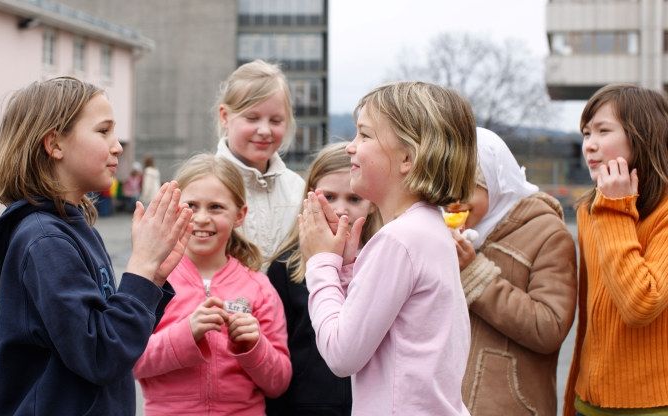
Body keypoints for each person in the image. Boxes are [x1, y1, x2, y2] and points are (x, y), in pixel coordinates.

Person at [0, 77, 193, 416]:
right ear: (54, 144)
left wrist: (152, 277)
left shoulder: (73, 227)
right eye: (103, 131)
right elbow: (100, 354)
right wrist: (139, 267)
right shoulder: (46, 241)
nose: (118, 147)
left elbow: (113, 334)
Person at [298, 81, 478, 415]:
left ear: (408, 157)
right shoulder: (427, 228)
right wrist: (350, 269)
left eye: (364, 136)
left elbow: (341, 354)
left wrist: (321, 262)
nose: (351, 148)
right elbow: (393, 330)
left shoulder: (399, 240)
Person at [134, 154, 292, 415]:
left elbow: (278, 383)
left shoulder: (259, 287)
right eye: (192, 206)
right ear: (175, 209)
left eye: (216, 207)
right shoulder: (153, 282)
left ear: (240, 215)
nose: (202, 218)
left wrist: (254, 346)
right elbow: (129, 361)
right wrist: (186, 334)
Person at [451, 127, 577, 416]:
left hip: (510, 405)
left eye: (463, 187)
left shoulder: (547, 232)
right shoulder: (443, 228)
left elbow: (549, 327)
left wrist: (475, 276)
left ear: (494, 180)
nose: (451, 200)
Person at [564, 84, 668, 415]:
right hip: (588, 401)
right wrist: (572, 399)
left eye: (603, 131)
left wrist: (616, 209)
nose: (589, 146)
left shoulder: (660, 213)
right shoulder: (590, 210)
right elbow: (591, 317)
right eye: (585, 133)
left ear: (642, 136)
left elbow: (641, 303)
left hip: (652, 406)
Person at [265, 142, 383, 416]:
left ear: (373, 204)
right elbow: (276, 348)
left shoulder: (383, 259)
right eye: (328, 197)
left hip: (370, 403)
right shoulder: (285, 266)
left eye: (354, 199)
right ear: (310, 198)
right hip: (306, 404)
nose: (341, 209)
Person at [214, 59, 305, 259]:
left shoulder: (298, 190)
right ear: (225, 116)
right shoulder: (205, 186)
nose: (264, 131)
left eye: (275, 120)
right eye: (252, 118)